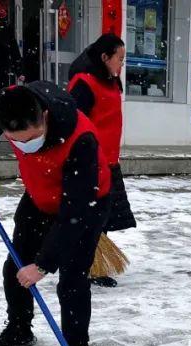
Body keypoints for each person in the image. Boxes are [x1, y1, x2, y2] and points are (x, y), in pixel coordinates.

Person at [0, 82, 112, 346]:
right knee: (16, 266)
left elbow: (75, 212)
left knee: (72, 280)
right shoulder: (2, 105)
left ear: (44, 116)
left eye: (32, 139)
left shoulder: (81, 138)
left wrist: (44, 264)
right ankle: (20, 329)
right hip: (39, 196)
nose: (25, 147)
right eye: (16, 141)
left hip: (86, 204)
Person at [67, 33, 135, 288]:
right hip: (90, 164)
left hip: (109, 161)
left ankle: (92, 265)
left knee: (104, 217)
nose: (122, 64)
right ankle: (82, 267)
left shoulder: (111, 81)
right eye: (119, 58)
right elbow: (74, 123)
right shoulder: (83, 83)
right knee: (89, 218)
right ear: (104, 57)